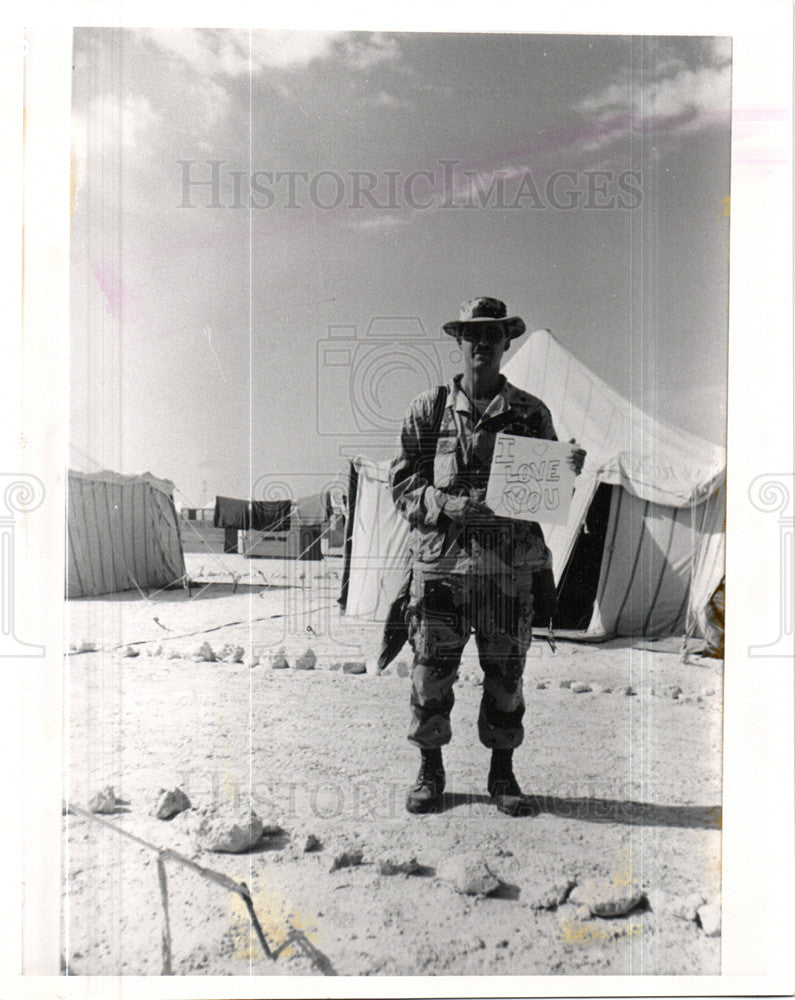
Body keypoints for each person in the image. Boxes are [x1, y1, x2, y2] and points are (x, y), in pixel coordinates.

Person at [389, 297, 585, 815]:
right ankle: (430, 771)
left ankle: (503, 775)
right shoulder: (428, 409)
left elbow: (547, 493)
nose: (482, 344)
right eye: (473, 335)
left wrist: (565, 469)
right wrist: (445, 503)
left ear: (506, 343)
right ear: (459, 342)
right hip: (441, 572)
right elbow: (403, 482)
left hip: (505, 573)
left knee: (506, 679)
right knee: (430, 675)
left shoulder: (529, 413)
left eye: (492, 336)